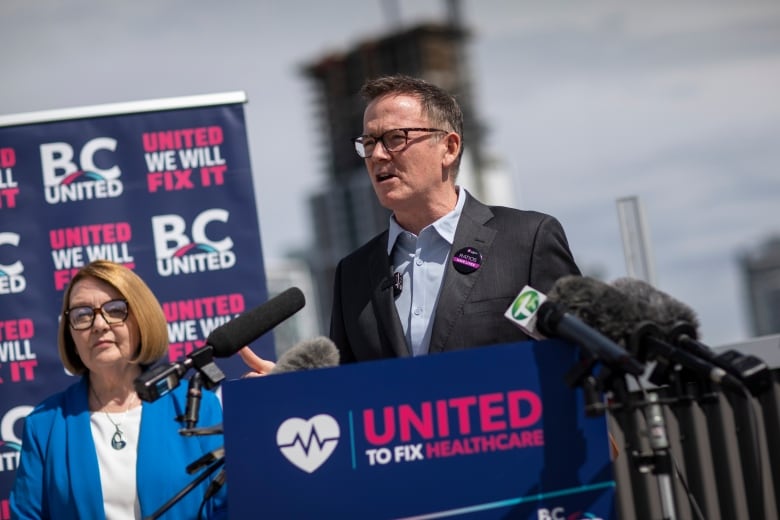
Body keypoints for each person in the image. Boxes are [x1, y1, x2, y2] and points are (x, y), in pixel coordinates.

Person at [330, 74, 581, 362]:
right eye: (369, 142)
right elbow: (345, 387)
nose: (377, 154)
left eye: (395, 138)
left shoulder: (527, 240)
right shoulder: (353, 274)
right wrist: (293, 388)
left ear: (449, 148)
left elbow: (576, 357)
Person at [10, 260, 227, 520]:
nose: (99, 324)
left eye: (115, 310)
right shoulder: (44, 424)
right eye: (82, 314)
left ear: (141, 319)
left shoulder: (198, 405)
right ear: (71, 335)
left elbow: (227, 507)